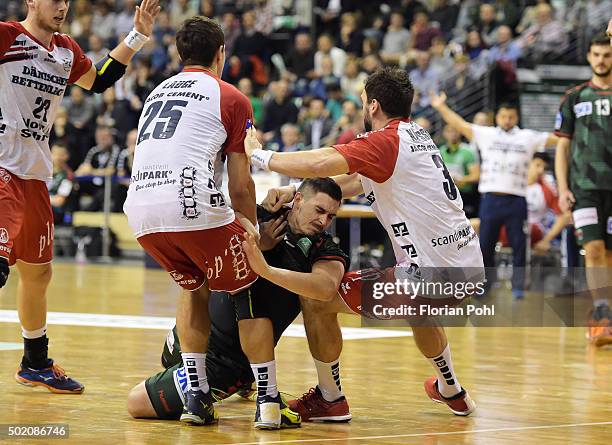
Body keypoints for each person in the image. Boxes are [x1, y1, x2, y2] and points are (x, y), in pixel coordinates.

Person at [244, 67, 484, 419]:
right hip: (467, 267)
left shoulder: (385, 141)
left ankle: (330, 398)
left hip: (428, 275)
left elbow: (322, 162)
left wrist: (260, 156)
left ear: (372, 105)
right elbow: (350, 182)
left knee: (319, 298)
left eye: (361, 103)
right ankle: (451, 390)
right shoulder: (416, 136)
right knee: (420, 309)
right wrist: (297, 193)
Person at [0, 0, 159, 394]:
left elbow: (101, 78)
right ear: (31, 2)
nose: (62, 7)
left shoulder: (65, 49)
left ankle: (35, 362)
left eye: (67, 1)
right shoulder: (6, 37)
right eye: (54, 0)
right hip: (1, 168)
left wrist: (138, 35)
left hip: (34, 174)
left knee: (38, 272)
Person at [123, 16, 259, 427]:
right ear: (221, 54)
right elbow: (240, 181)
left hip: (141, 210)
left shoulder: (155, 92)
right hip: (190, 203)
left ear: (180, 55)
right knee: (251, 283)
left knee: (194, 287)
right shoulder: (231, 96)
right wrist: (251, 230)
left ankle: (196, 395)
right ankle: (266, 392)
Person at [127, 178, 349, 427]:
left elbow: (326, 287)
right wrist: (257, 241)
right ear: (298, 200)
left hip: (226, 361)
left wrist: (265, 270)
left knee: (136, 403)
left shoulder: (324, 249)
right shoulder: (261, 215)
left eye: (331, 216)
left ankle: (257, 387)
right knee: (169, 355)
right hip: (200, 333)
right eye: (319, 210)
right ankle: (248, 385)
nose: (323, 221)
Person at [430, 93, 558, 299]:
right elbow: (460, 125)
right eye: (503, 116)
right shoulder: (486, 134)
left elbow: (557, 139)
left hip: (516, 199)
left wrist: (575, 126)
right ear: (497, 117)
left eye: (511, 117)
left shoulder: (528, 137)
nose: (507, 120)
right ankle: (485, 285)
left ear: (517, 118)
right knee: (485, 245)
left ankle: (518, 287)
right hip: (490, 200)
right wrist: (440, 107)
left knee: (519, 245)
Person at [554, 33, 612, 347]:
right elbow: (563, 147)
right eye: (597, 55)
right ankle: (601, 315)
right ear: (589, 57)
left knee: (610, 255)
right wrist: (563, 188)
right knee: (593, 250)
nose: (601, 60)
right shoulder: (574, 97)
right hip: (584, 188)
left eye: (607, 54)